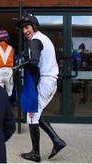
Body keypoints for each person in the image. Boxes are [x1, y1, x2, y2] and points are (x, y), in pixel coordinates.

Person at [17, 14, 67, 162]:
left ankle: (36, 154)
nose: (25, 31)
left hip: (46, 81)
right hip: (49, 80)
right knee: (36, 113)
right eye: (23, 29)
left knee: (31, 115)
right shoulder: (43, 38)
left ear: (34, 26)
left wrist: (20, 66)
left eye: (27, 27)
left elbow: (34, 62)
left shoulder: (35, 40)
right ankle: (57, 141)